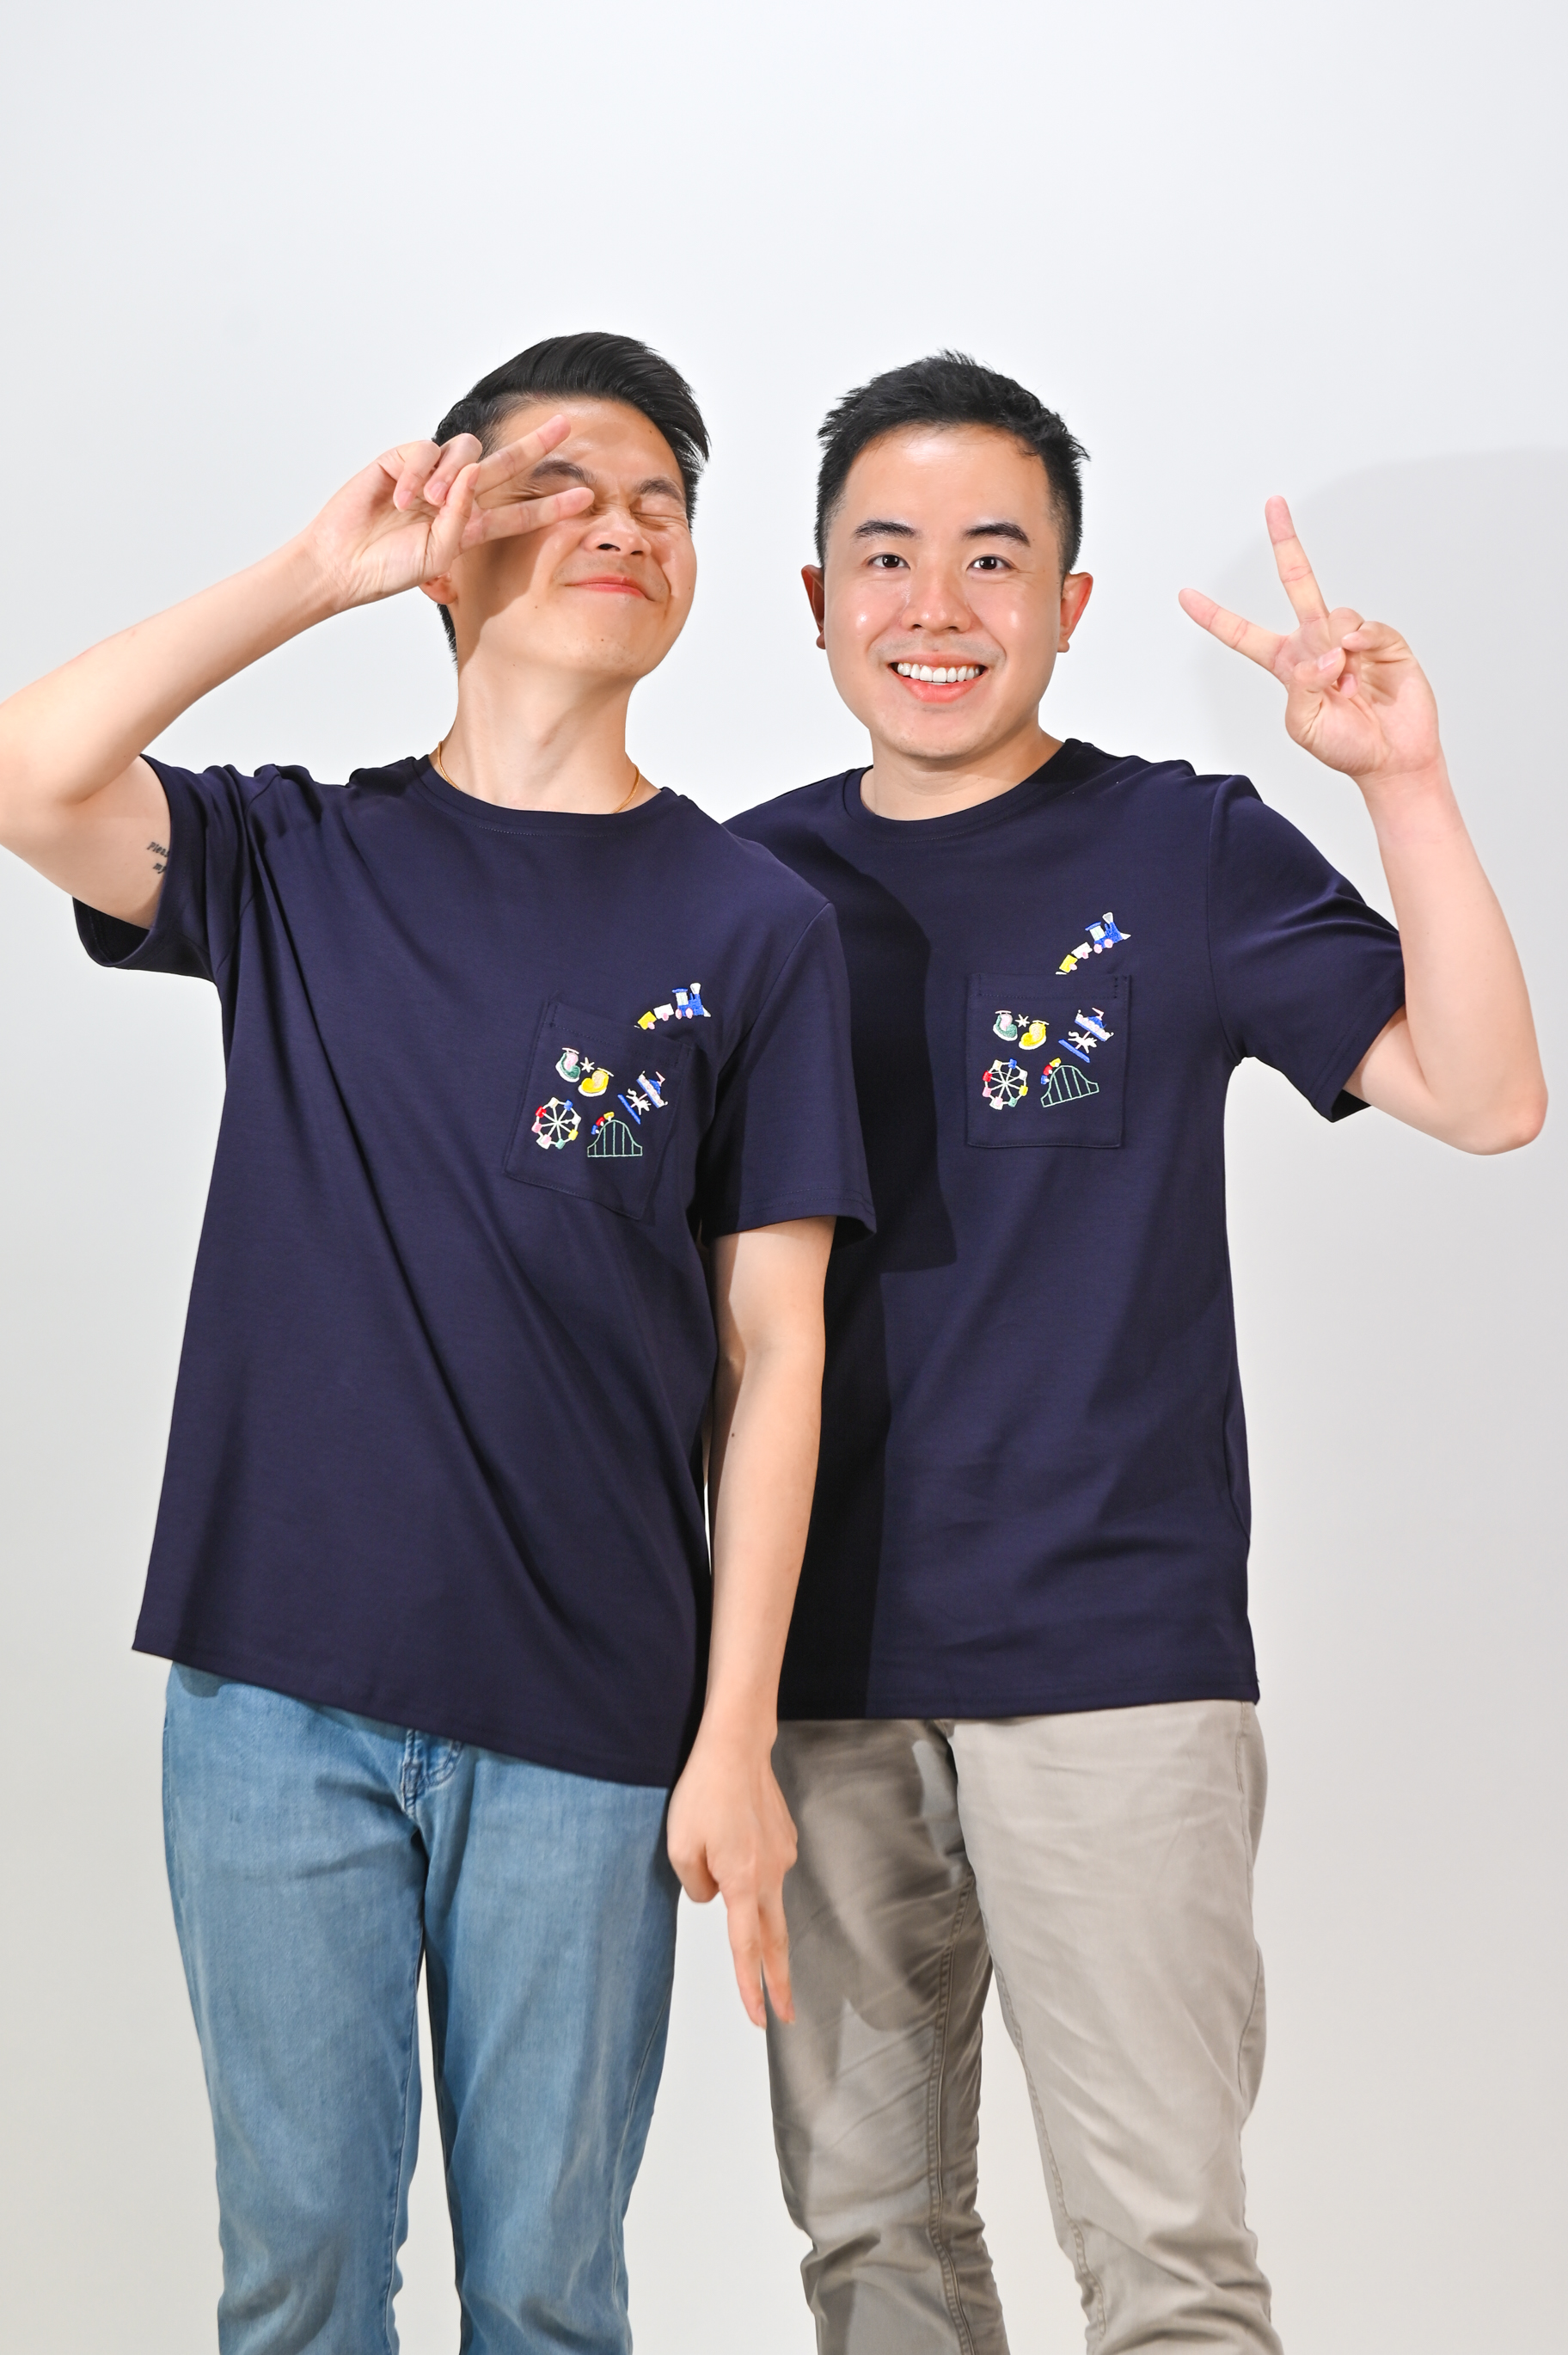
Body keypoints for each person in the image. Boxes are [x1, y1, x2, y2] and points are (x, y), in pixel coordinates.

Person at [0, 330, 873, 2355]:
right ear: (451, 526)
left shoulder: (754, 924)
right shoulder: (294, 858)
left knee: (551, 2294)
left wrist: (734, 1730)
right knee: (298, 2274)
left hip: (591, 1714)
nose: (624, 523)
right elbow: (32, 774)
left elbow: (780, 1354)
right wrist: (313, 576)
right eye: (562, 481)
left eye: (662, 500)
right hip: (274, 1692)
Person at [729, 352, 1544, 2355]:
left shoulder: (1182, 850)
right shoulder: (737, 888)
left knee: (1166, 2256)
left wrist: (1403, 781)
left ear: (1069, 601)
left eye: (993, 557)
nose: (937, 606)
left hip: (1115, 1659)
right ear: (814, 596)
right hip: (814, 1673)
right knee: (870, 2242)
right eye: (886, 556)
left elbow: (1485, 1092)